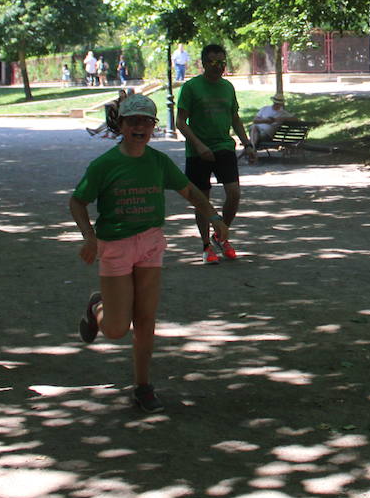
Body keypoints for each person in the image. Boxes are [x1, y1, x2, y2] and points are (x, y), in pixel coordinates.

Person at [71, 93, 227, 414]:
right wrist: (89, 237)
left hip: (150, 244)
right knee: (116, 329)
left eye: (146, 121)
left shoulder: (158, 162)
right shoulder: (104, 165)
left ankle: (143, 387)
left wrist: (214, 217)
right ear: (121, 125)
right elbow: (77, 201)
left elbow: (190, 190)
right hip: (115, 246)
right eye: (133, 121)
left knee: (145, 319)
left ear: (153, 126)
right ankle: (97, 305)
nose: (140, 127)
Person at [175, 44, 254, 264]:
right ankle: (206, 246)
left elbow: (235, 118)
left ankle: (220, 235)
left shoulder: (227, 87)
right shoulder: (191, 87)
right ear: (203, 63)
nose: (218, 67)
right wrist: (199, 145)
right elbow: (180, 122)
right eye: (213, 62)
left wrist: (247, 143)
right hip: (198, 151)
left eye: (222, 62)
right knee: (202, 200)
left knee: (234, 193)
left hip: (223, 147)